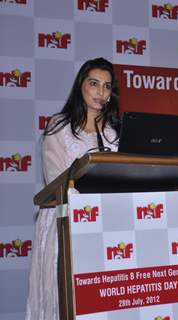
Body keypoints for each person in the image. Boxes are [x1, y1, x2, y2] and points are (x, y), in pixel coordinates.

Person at [26, 57, 121, 320]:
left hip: (107, 224)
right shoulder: (59, 126)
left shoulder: (115, 134)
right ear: (81, 86)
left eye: (107, 86)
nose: (101, 92)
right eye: (94, 84)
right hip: (65, 223)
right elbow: (56, 178)